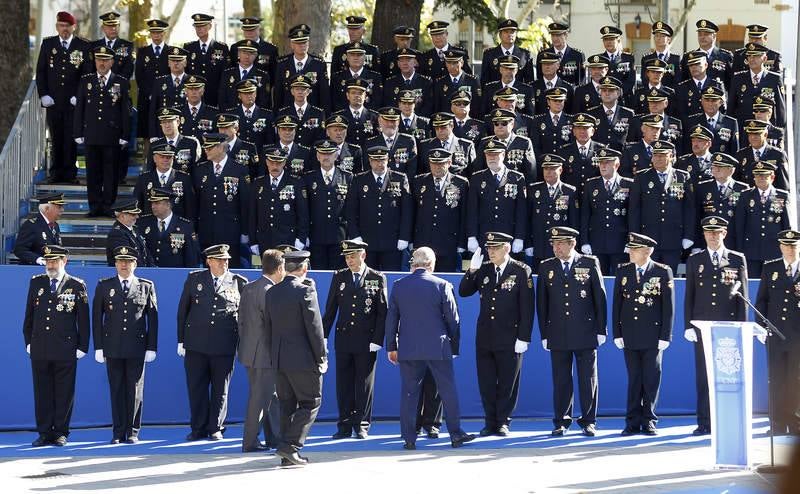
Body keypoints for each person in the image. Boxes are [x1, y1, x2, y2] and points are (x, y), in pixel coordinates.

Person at [385, 247, 475, 450]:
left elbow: (391, 319)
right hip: (438, 346)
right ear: (431, 264)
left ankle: (409, 437)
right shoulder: (442, 285)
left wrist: (391, 346)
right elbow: (454, 319)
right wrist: (454, 345)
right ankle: (455, 434)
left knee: (409, 393)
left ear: (413, 264)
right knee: (447, 391)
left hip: (408, 347)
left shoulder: (399, 286)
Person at [459, 232, 534, 436]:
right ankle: (489, 421)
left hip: (510, 337)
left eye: (495, 248)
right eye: (489, 248)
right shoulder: (483, 270)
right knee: (487, 382)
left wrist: (524, 337)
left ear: (507, 248)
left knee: (508, 382)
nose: (490, 252)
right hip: (485, 336)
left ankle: (503, 421)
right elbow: (464, 291)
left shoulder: (520, 270)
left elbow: (527, 307)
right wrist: (472, 270)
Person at [536, 227, 606, 436]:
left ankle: (588, 420)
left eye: (560, 243)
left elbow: (599, 298)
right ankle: (561, 420)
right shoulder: (546, 266)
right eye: (554, 244)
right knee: (561, 379)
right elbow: (542, 303)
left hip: (585, 330)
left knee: (588, 379)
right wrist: (544, 334)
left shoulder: (589, 262)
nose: (556, 248)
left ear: (572, 243)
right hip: (557, 331)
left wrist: (601, 329)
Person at [683, 216, 748, 436]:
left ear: (724, 233)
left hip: (728, 328)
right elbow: (689, 296)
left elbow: (743, 298)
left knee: (728, 376)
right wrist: (688, 325)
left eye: (716, 232)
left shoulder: (737, 260)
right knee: (703, 376)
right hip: (702, 326)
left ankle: (727, 421)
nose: (712, 236)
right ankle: (704, 422)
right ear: (703, 234)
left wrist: (741, 328)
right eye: (708, 232)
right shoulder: (695, 260)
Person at [177, 244, 248, 441]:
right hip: (196, 344)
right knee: (196, 388)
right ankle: (198, 428)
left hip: (224, 345)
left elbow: (244, 317)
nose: (224, 263)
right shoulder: (195, 279)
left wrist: (243, 344)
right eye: (219, 260)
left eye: (226, 259)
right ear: (209, 261)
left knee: (220, 389)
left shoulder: (239, 282)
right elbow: (183, 311)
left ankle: (215, 427)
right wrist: (181, 340)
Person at [264, 250, 327, 466]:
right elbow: (315, 329)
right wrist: (321, 357)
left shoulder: (272, 292)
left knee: (287, 406)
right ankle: (289, 447)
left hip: (280, 359)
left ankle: (287, 454)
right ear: (304, 268)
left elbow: (268, 330)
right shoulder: (305, 291)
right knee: (311, 402)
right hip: (303, 359)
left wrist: (274, 357)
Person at [23, 245, 89, 447]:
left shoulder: (77, 285)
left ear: (64, 262)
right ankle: (44, 432)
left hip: (65, 348)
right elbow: (29, 316)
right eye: (48, 261)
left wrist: (82, 346)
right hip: (40, 346)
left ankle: (60, 431)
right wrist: (28, 342)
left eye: (55, 261)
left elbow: (83, 320)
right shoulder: (37, 283)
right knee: (41, 391)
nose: (50, 265)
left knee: (64, 391)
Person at [92, 246, 158, 444]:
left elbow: (153, 319)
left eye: (128, 261)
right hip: (112, 347)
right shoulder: (104, 285)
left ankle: (133, 431)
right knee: (117, 389)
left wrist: (151, 347)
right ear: (115, 264)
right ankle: (118, 432)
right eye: (120, 261)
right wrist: (98, 347)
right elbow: (97, 317)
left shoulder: (146, 286)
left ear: (135, 264)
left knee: (135, 390)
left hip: (137, 347)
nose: (123, 264)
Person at [323, 240, 388, 439]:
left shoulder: (377, 277)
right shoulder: (340, 276)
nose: (349, 260)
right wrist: (323, 336)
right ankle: (344, 425)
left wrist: (378, 339)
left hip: (366, 340)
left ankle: (361, 424)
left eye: (353, 256)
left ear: (363, 255)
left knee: (364, 384)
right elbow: (331, 309)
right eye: (347, 256)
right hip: (343, 339)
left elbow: (382, 312)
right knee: (343, 384)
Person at [612, 233, 674, 436]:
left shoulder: (663, 272)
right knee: (634, 378)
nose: (629, 252)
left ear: (646, 251)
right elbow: (617, 304)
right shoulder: (623, 271)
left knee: (650, 379)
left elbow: (668, 307)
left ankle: (649, 419)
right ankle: (631, 421)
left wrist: (666, 335)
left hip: (653, 335)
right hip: (630, 333)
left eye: (634, 249)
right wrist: (617, 332)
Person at [74, 45, 130, 217]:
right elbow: (80, 109)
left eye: (106, 60)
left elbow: (124, 111)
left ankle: (108, 206)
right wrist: (78, 132)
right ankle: (94, 206)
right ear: (95, 61)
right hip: (91, 134)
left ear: (112, 62)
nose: (102, 63)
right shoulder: (86, 81)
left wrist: (125, 134)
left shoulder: (121, 82)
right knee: (92, 173)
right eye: (99, 59)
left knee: (110, 174)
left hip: (111, 135)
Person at [238, 249, 285, 452]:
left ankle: (274, 437)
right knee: (259, 399)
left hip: (250, 351)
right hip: (265, 354)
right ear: (280, 267)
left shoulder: (249, 287)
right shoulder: (271, 291)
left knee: (270, 396)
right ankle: (250, 442)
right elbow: (273, 324)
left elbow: (241, 321)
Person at [36, 11, 91, 184]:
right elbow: (41, 71)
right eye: (61, 25)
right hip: (53, 101)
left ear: (73, 27)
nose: (64, 29)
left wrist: (79, 95)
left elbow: (86, 74)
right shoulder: (48, 44)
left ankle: (70, 173)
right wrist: (43, 94)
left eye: (67, 26)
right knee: (56, 136)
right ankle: (56, 172)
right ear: (57, 26)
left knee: (71, 137)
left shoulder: (82, 46)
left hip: (73, 101)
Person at [755, 229, 800, 435]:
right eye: (786, 245)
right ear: (780, 247)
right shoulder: (770, 268)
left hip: (798, 337)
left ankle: (796, 423)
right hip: (775, 334)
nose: (790, 249)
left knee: (796, 379)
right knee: (777, 379)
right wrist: (763, 328)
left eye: (794, 246)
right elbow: (761, 302)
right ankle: (777, 423)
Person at [627, 140, 695, 273]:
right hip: (648, 237)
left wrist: (688, 235)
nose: (657, 158)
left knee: (669, 277)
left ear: (671, 156)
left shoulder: (682, 176)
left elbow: (689, 209)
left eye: (662, 155)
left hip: (673, 237)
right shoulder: (642, 177)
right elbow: (634, 210)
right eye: (655, 155)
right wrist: (634, 237)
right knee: (648, 276)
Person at [345, 145, 413, 271]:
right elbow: (351, 210)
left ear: (388, 160)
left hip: (392, 241)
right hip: (366, 241)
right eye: (376, 160)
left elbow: (407, 211)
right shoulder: (359, 179)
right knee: (368, 278)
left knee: (392, 276)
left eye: (383, 160)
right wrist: (355, 235)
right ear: (370, 161)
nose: (380, 163)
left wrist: (404, 237)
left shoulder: (400, 178)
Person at [193, 133, 251, 269]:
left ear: (220, 148)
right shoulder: (200, 170)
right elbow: (195, 203)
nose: (206, 150)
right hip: (206, 231)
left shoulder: (239, 169)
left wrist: (244, 232)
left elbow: (245, 203)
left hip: (230, 231)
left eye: (209, 148)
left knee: (230, 268)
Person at [465, 139, 527, 254]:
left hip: (508, 236)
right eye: (489, 155)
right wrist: (471, 236)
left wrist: (520, 237)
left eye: (495, 154)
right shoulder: (477, 178)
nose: (491, 158)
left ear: (503, 155)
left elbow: (521, 211)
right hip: (485, 237)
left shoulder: (517, 178)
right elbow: (472, 210)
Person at [412, 148, 469, 271]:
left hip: (448, 242)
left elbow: (464, 215)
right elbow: (412, 213)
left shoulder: (460, 183)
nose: (437, 167)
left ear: (449, 163)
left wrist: (461, 242)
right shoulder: (419, 181)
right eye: (434, 163)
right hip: (424, 241)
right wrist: (412, 240)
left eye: (441, 163)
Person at [579, 147, 631, 275]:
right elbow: (585, 215)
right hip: (597, 242)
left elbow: (632, 215)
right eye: (601, 162)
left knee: (620, 279)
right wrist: (584, 241)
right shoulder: (591, 185)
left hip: (620, 242)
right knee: (598, 280)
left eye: (607, 162)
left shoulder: (628, 184)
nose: (603, 166)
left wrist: (631, 241)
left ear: (616, 164)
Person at [248, 146, 309, 256]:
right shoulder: (258, 183)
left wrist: (301, 238)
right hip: (264, 240)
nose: (275, 166)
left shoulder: (296, 183)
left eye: (278, 163)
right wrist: (253, 241)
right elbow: (252, 215)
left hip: (288, 240)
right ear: (266, 162)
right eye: (271, 162)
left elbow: (303, 214)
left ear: (284, 162)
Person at [734, 162, 790, 277]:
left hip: (774, 251)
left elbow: (786, 226)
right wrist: (740, 250)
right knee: (752, 284)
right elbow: (739, 225)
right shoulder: (746, 195)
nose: (761, 178)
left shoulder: (782, 196)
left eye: (764, 175)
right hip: (751, 250)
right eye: (758, 175)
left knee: (774, 285)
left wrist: (787, 249)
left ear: (772, 177)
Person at [304, 139, 353, 270]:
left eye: (330, 153)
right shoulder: (308, 178)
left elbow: (351, 209)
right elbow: (305, 209)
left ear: (336, 155)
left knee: (338, 275)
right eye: (323, 154)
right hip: (316, 236)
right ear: (317, 156)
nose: (326, 157)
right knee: (318, 274)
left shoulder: (347, 177)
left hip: (339, 237)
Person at [525, 154, 578, 269]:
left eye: (552, 169)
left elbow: (573, 221)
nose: (548, 172)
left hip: (561, 247)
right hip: (539, 244)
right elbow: (527, 219)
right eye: (546, 169)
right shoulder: (533, 190)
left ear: (560, 170)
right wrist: (528, 243)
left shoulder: (569, 191)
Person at [138, 188, 200, 268]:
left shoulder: (184, 225)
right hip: (149, 272)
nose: (153, 206)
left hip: (174, 273)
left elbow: (191, 256)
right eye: (152, 203)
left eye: (157, 203)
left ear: (168, 205)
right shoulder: (144, 223)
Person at [134, 142, 196, 220]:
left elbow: (190, 207)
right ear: (154, 158)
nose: (165, 160)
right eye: (162, 157)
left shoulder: (184, 178)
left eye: (168, 157)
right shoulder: (144, 178)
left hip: (176, 226)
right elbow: (137, 204)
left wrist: (189, 228)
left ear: (173, 159)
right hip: (150, 226)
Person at [134, 19, 171, 142]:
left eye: (159, 32)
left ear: (163, 33)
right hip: (146, 98)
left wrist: (161, 94)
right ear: (150, 34)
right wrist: (150, 94)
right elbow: (139, 76)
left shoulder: (171, 52)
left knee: (166, 129)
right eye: (153, 32)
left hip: (166, 98)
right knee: (147, 133)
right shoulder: (143, 52)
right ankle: (146, 159)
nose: (156, 35)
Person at [183, 13, 229, 108]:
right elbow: (186, 73)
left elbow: (225, 75)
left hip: (214, 98)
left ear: (210, 26)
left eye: (202, 26)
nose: (199, 29)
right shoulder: (189, 47)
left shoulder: (221, 47)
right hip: (194, 98)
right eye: (196, 26)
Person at [14, 193, 65, 265]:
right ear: (47, 209)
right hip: (33, 270)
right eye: (59, 207)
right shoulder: (31, 225)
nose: (62, 210)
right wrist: (39, 260)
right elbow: (20, 250)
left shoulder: (55, 225)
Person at [105, 199, 153, 267]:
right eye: (133, 214)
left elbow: (146, 253)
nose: (137, 217)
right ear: (122, 216)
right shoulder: (117, 233)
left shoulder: (134, 229)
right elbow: (127, 258)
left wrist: (153, 269)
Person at [536, 22, 584, 87]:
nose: (555, 38)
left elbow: (580, 82)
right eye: (553, 35)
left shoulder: (577, 55)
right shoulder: (543, 55)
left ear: (566, 35)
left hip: (568, 94)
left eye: (558, 35)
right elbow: (540, 79)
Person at [638, 21, 681, 90]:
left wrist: (667, 93)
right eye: (657, 35)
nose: (659, 38)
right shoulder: (646, 59)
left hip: (669, 96)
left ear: (669, 39)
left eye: (662, 36)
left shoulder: (675, 59)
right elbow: (644, 79)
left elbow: (678, 80)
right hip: (651, 94)